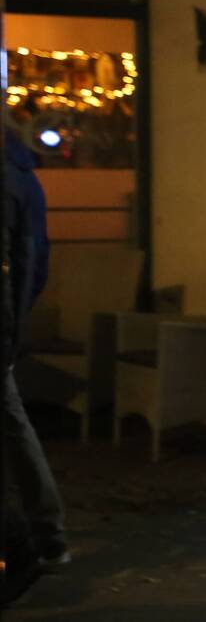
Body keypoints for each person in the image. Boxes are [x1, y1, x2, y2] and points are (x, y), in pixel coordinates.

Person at [2, 128, 68, 569]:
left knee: (12, 425)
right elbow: (35, 260)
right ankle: (46, 533)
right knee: (12, 425)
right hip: (6, 319)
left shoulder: (12, 179)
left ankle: (40, 535)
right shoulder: (22, 176)